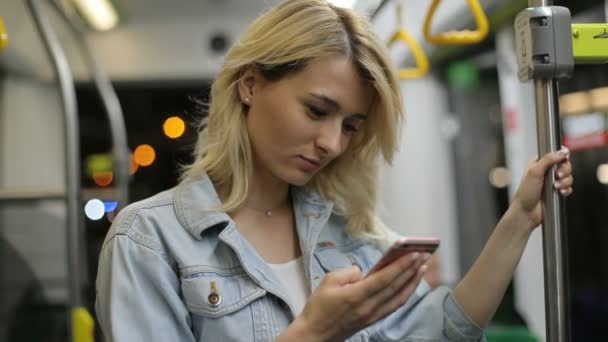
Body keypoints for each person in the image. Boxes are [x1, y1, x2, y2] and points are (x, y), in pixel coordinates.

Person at [95, 0, 574, 341]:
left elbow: (442, 331)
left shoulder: (346, 236)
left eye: (351, 125)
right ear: (250, 85)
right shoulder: (150, 241)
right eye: (316, 110)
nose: (331, 143)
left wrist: (519, 220)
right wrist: (314, 333)